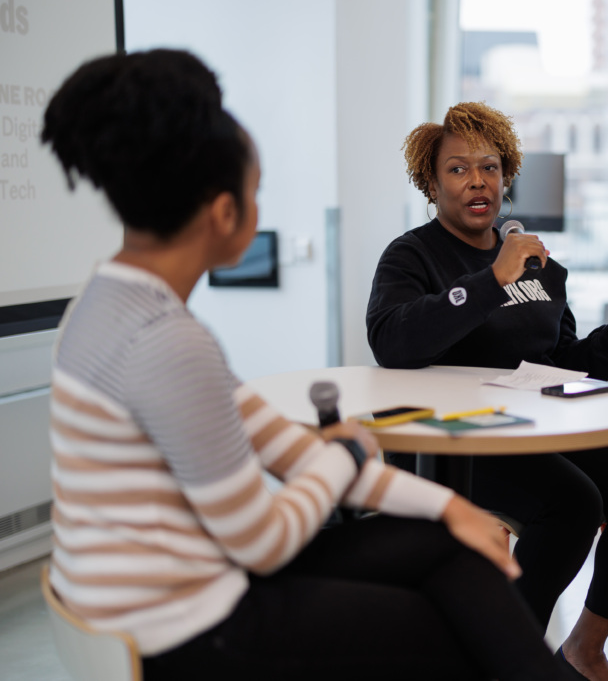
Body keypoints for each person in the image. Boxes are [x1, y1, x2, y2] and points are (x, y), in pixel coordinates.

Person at [42, 50, 572, 681]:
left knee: (453, 549)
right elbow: (263, 541)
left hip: (157, 593)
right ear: (224, 213)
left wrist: (447, 508)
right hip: (188, 631)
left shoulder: (107, 301)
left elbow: (283, 448)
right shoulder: (167, 343)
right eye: (257, 190)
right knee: (439, 629)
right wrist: (343, 457)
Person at [367, 102, 608, 681]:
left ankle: (582, 651)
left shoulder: (541, 265)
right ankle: (505, 658)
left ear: (506, 175)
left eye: (489, 167)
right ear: (431, 183)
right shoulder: (411, 256)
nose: (477, 181)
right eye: (458, 169)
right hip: (459, 443)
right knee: (573, 503)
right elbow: (393, 343)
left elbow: (562, 363)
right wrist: (490, 280)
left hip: (543, 430)